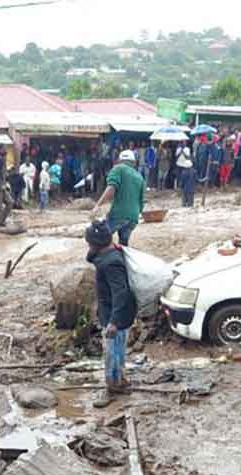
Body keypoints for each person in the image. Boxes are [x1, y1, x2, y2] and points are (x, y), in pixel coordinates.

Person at [85, 222, 137, 409]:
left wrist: (114, 322)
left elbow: (120, 292)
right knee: (118, 351)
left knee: (112, 353)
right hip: (119, 313)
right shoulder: (110, 253)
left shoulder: (111, 262)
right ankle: (121, 381)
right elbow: (90, 258)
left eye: (90, 243)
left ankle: (112, 388)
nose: (88, 247)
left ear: (96, 244)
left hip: (117, 316)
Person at [92, 150, 145, 247]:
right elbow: (141, 202)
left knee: (101, 239)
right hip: (133, 217)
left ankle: (102, 260)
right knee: (123, 245)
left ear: (119, 160)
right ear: (133, 162)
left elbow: (111, 188)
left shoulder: (118, 169)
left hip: (119, 214)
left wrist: (98, 205)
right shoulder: (139, 177)